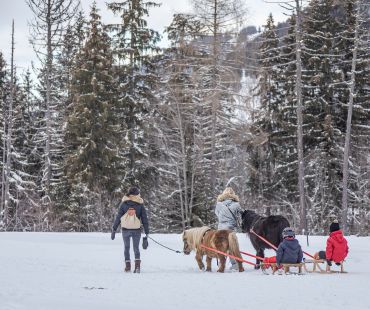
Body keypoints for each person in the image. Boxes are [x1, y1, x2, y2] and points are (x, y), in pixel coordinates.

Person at [111, 186, 149, 273]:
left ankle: (127, 267)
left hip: (125, 230)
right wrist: (147, 233)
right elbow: (144, 219)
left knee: (126, 247)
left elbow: (118, 217)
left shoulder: (124, 204)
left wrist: (114, 229)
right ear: (137, 194)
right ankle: (137, 267)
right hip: (136, 229)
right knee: (136, 248)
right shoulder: (140, 205)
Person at [215, 187, 243, 270]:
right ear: (233, 195)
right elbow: (239, 216)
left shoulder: (219, 204)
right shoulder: (236, 205)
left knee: (220, 247)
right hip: (230, 229)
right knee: (232, 247)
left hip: (220, 229)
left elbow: (217, 214)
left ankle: (221, 264)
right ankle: (235, 264)